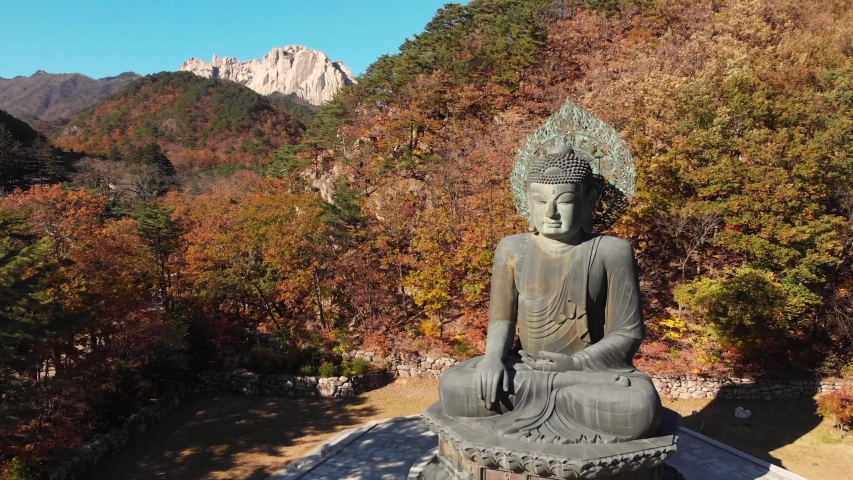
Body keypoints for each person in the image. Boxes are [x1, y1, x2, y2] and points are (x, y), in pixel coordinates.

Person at [438, 146, 661, 444]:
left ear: (588, 203)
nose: (550, 213)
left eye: (565, 201)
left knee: (638, 407)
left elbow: (628, 333)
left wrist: (575, 365)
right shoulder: (512, 248)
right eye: (540, 201)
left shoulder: (612, 251)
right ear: (528, 202)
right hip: (527, 369)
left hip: (584, 375)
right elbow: (502, 319)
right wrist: (492, 359)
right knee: (456, 385)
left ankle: (551, 398)